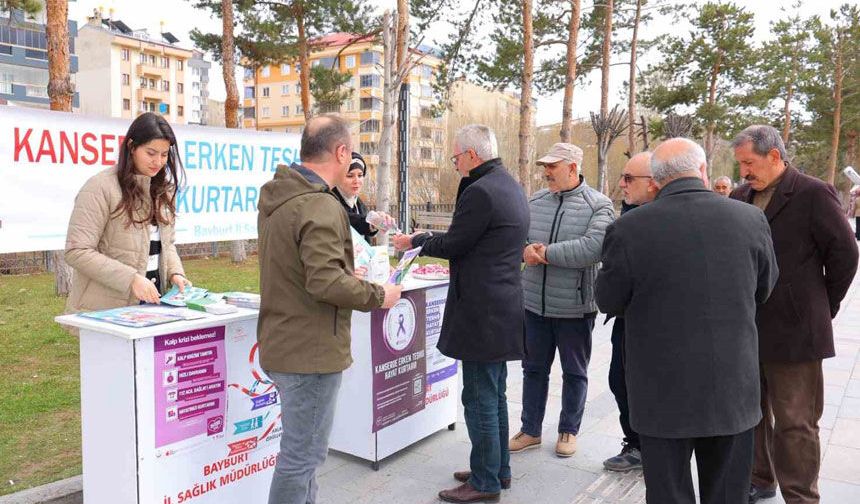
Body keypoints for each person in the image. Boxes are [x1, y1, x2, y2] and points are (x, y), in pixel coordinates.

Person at [596, 137, 779, 504]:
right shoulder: (749, 218)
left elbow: (608, 300)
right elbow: (764, 289)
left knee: (668, 494)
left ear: (656, 181)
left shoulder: (630, 228)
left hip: (662, 393)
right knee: (728, 494)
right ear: (703, 171)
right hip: (732, 389)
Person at [257, 114, 402, 504]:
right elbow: (323, 282)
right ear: (341, 152)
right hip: (310, 352)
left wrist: (341, 271)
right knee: (302, 457)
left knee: (301, 456)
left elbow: (303, 269)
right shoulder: (319, 205)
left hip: (286, 341)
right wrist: (377, 295)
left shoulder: (281, 195)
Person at [392, 124, 529, 503]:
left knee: (479, 397)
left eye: (456, 158)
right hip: (501, 306)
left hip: (482, 311)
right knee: (495, 393)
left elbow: (455, 243)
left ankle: (484, 483)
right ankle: (496, 469)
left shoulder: (482, 191)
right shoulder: (509, 185)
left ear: (472, 155)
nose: (456, 166)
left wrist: (415, 241)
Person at [730, 125, 859, 504]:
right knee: (750, 415)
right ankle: (760, 479)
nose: (743, 172)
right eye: (740, 165)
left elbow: (845, 255)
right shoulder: (739, 197)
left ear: (775, 156)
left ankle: (801, 496)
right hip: (747, 329)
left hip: (796, 331)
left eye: (748, 163)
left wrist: (820, 305)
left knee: (796, 423)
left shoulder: (813, 193)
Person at [513, 143, 614, 458]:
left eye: (552, 166)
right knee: (533, 369)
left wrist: (543, 254)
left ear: (572, 167)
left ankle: (568, 430)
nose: (546, 172)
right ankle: (530, 430)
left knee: (574, 372)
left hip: (575, 308)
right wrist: (525, 249)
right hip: (534, 305)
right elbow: (518, 238)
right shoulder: (536, 201)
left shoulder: (599, 205)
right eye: (545, 165)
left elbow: (592, 248)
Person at [65, 112, 192, 317]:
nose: (158, 161)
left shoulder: (163, 191)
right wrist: (131, 279)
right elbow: (77, 251)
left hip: (154, 303)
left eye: (164, 154)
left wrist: (175, 273)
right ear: (132, 147)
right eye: (151, 153)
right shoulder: (100, 187)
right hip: (105, 310)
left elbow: (166, 244)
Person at [602, 151, 654, 473]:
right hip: (625, 318)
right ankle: (634, 442)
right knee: (618, 380)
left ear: (653, 183)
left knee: (645, 386)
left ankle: (647, 447)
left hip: (655, 323)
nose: (621, 184)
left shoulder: (663, 220)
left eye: (629, 178)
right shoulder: (628, 214)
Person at [332, 152, 395, 241]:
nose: (356, 181)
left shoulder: (359, 204)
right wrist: (371, 222)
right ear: (338, 177)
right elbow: (347, 219)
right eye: (350, 176)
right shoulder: (329, 200)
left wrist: (376, 221)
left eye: (360, 175)